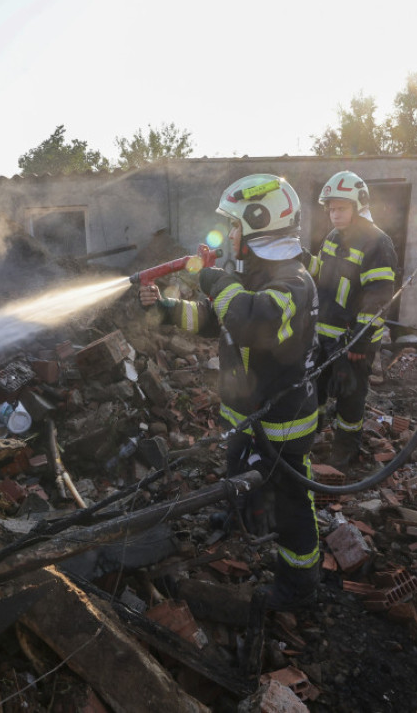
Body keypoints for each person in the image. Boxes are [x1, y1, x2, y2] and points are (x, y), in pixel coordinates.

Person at [139, 173, 321, 611]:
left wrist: (213, 280)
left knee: (292, 502)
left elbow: (248, 320)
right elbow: (214, 319)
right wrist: (164, 308)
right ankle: (243, 517)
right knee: (241, 469)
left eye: (236, 225)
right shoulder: (254, 273)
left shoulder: (293, 280)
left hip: (283, 420)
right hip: (245, 409)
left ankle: (299, 582)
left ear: (259, 223)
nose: (230, 234)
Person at [310, 170, 397, 470]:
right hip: (324, 336)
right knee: (316, 390)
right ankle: (310, 437)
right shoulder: (333, 237)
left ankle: (346, 449)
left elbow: (378, 294)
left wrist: (361, 338)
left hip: (353, 341)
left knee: (350, 397)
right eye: (331, 208)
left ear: (359, 205)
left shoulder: (377, 242)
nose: (334, 214)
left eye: (341, 208)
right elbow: (321, 278)